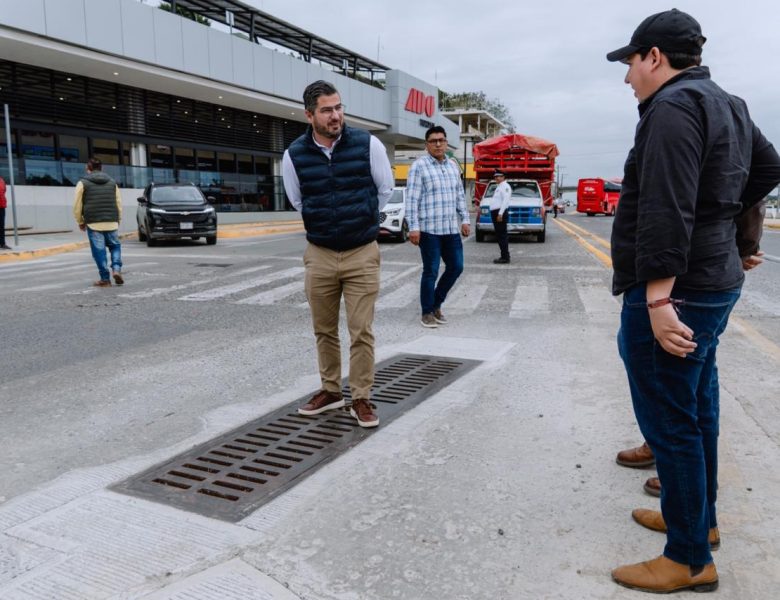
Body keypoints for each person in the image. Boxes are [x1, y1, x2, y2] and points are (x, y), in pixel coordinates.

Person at [606, 8, 780, 594]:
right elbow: (769, 166)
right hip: (714, 278)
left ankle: (688, 559)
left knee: (671, 419)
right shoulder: (727, 101)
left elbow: (667, 205)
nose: (627, 76)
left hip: (681, 288)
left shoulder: (673, 109)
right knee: (698, 406)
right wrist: (730, 230)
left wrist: (657, 301)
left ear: (654, 56)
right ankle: (697, 524)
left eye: (630, 62)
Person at [282, 80, 393, 428]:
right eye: (327, 110)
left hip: (361, 251)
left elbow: (384, 189)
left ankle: (360, 397)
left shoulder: (367, 144)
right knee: (324, 329)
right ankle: (330, 391)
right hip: (320, 254)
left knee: (361, 330)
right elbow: (298, 200)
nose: (336, 115)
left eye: (339, 107)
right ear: (310, 115)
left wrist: (359, 220)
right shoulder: (294, 155)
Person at [405, 125, 471, 328]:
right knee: (431, 271)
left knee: (456, 267)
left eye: (441, 140)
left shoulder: (452, 166)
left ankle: (436, 304)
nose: (438, 144)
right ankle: (427, 312)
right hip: (429, 230)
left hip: (451, 229)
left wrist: (465, 218)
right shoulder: (419, 166)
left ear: (446, 142)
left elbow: (460, 195)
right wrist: (413, 227)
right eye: (433, 141)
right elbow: (412, 199)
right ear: (427, 145)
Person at [73, 158, 124, 286]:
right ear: (102, 168)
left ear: (88, 169)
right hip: (111, 221)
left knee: (99, 251)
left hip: (93, 223)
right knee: (115, 246)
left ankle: (105, 279)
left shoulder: (82, 183)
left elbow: (77, 205)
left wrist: (80, 221)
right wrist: (118, 219)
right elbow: (119, 203)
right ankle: (116, 269)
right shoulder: (112, 183)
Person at [489, 170, 511, 264]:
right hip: (496, 213)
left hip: (499, 213)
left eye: (499, 176)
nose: (496, 178)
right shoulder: (499, 186)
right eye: (495, 176)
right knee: (500, 235)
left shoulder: (505, 186)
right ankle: (504, 255)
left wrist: (500, 213)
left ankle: (505, 257)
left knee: (502, 236)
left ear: (503, 177)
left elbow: (505, 201)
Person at [0, 175, 10, 250]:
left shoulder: (2, 180)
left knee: (1, 226)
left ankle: (2, 243)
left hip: (1, 206)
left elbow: (3, 191)